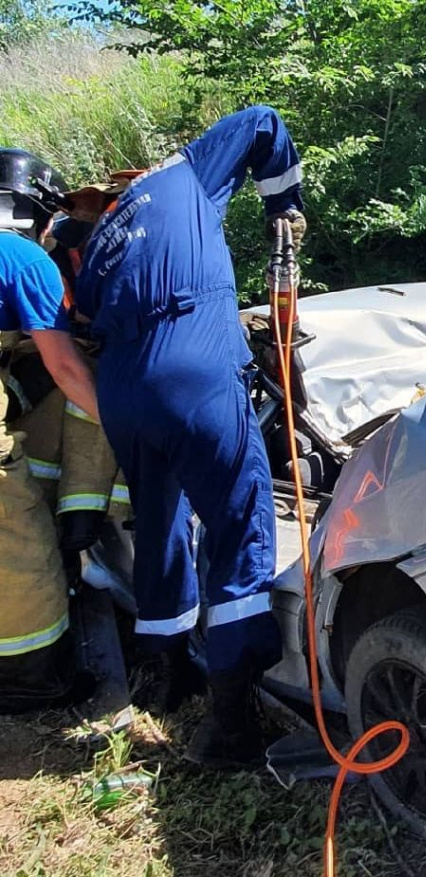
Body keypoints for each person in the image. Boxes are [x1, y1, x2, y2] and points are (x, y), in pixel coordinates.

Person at [69, 106, 307, 768]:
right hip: (192, 364)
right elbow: (263, 122)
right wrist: (282, 208)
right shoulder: (182, 173)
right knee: (237, 531)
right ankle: (230, 726)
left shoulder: (103, 241)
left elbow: (88, 315)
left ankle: (166, 673)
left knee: (161, 522)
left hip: (122, 386)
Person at [0, 148, 100, 711]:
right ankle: (28, 682)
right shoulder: (19, 256)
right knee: (20, 549)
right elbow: (65, 367)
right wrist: (128, 427)